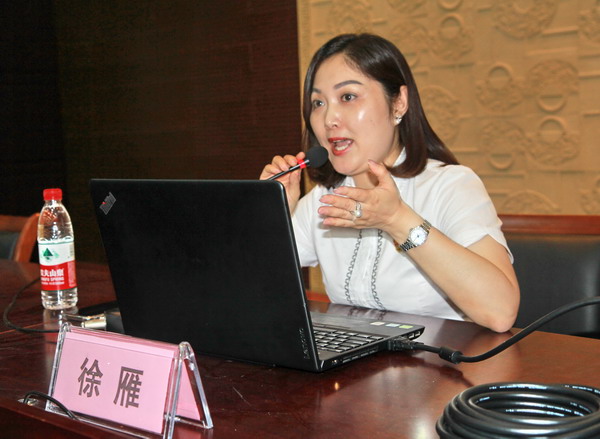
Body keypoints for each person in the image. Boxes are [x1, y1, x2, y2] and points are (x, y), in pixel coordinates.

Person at [260, 33, 519, 333]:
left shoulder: (450, 186)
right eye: (318, 102)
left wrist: (397, 220)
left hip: (441, 360)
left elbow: (501, 312)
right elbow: (250, 284)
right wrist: (269, 213)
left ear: (399, 102)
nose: (329, 119)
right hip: (355, 362)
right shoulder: (323, 200)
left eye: (347, 97)